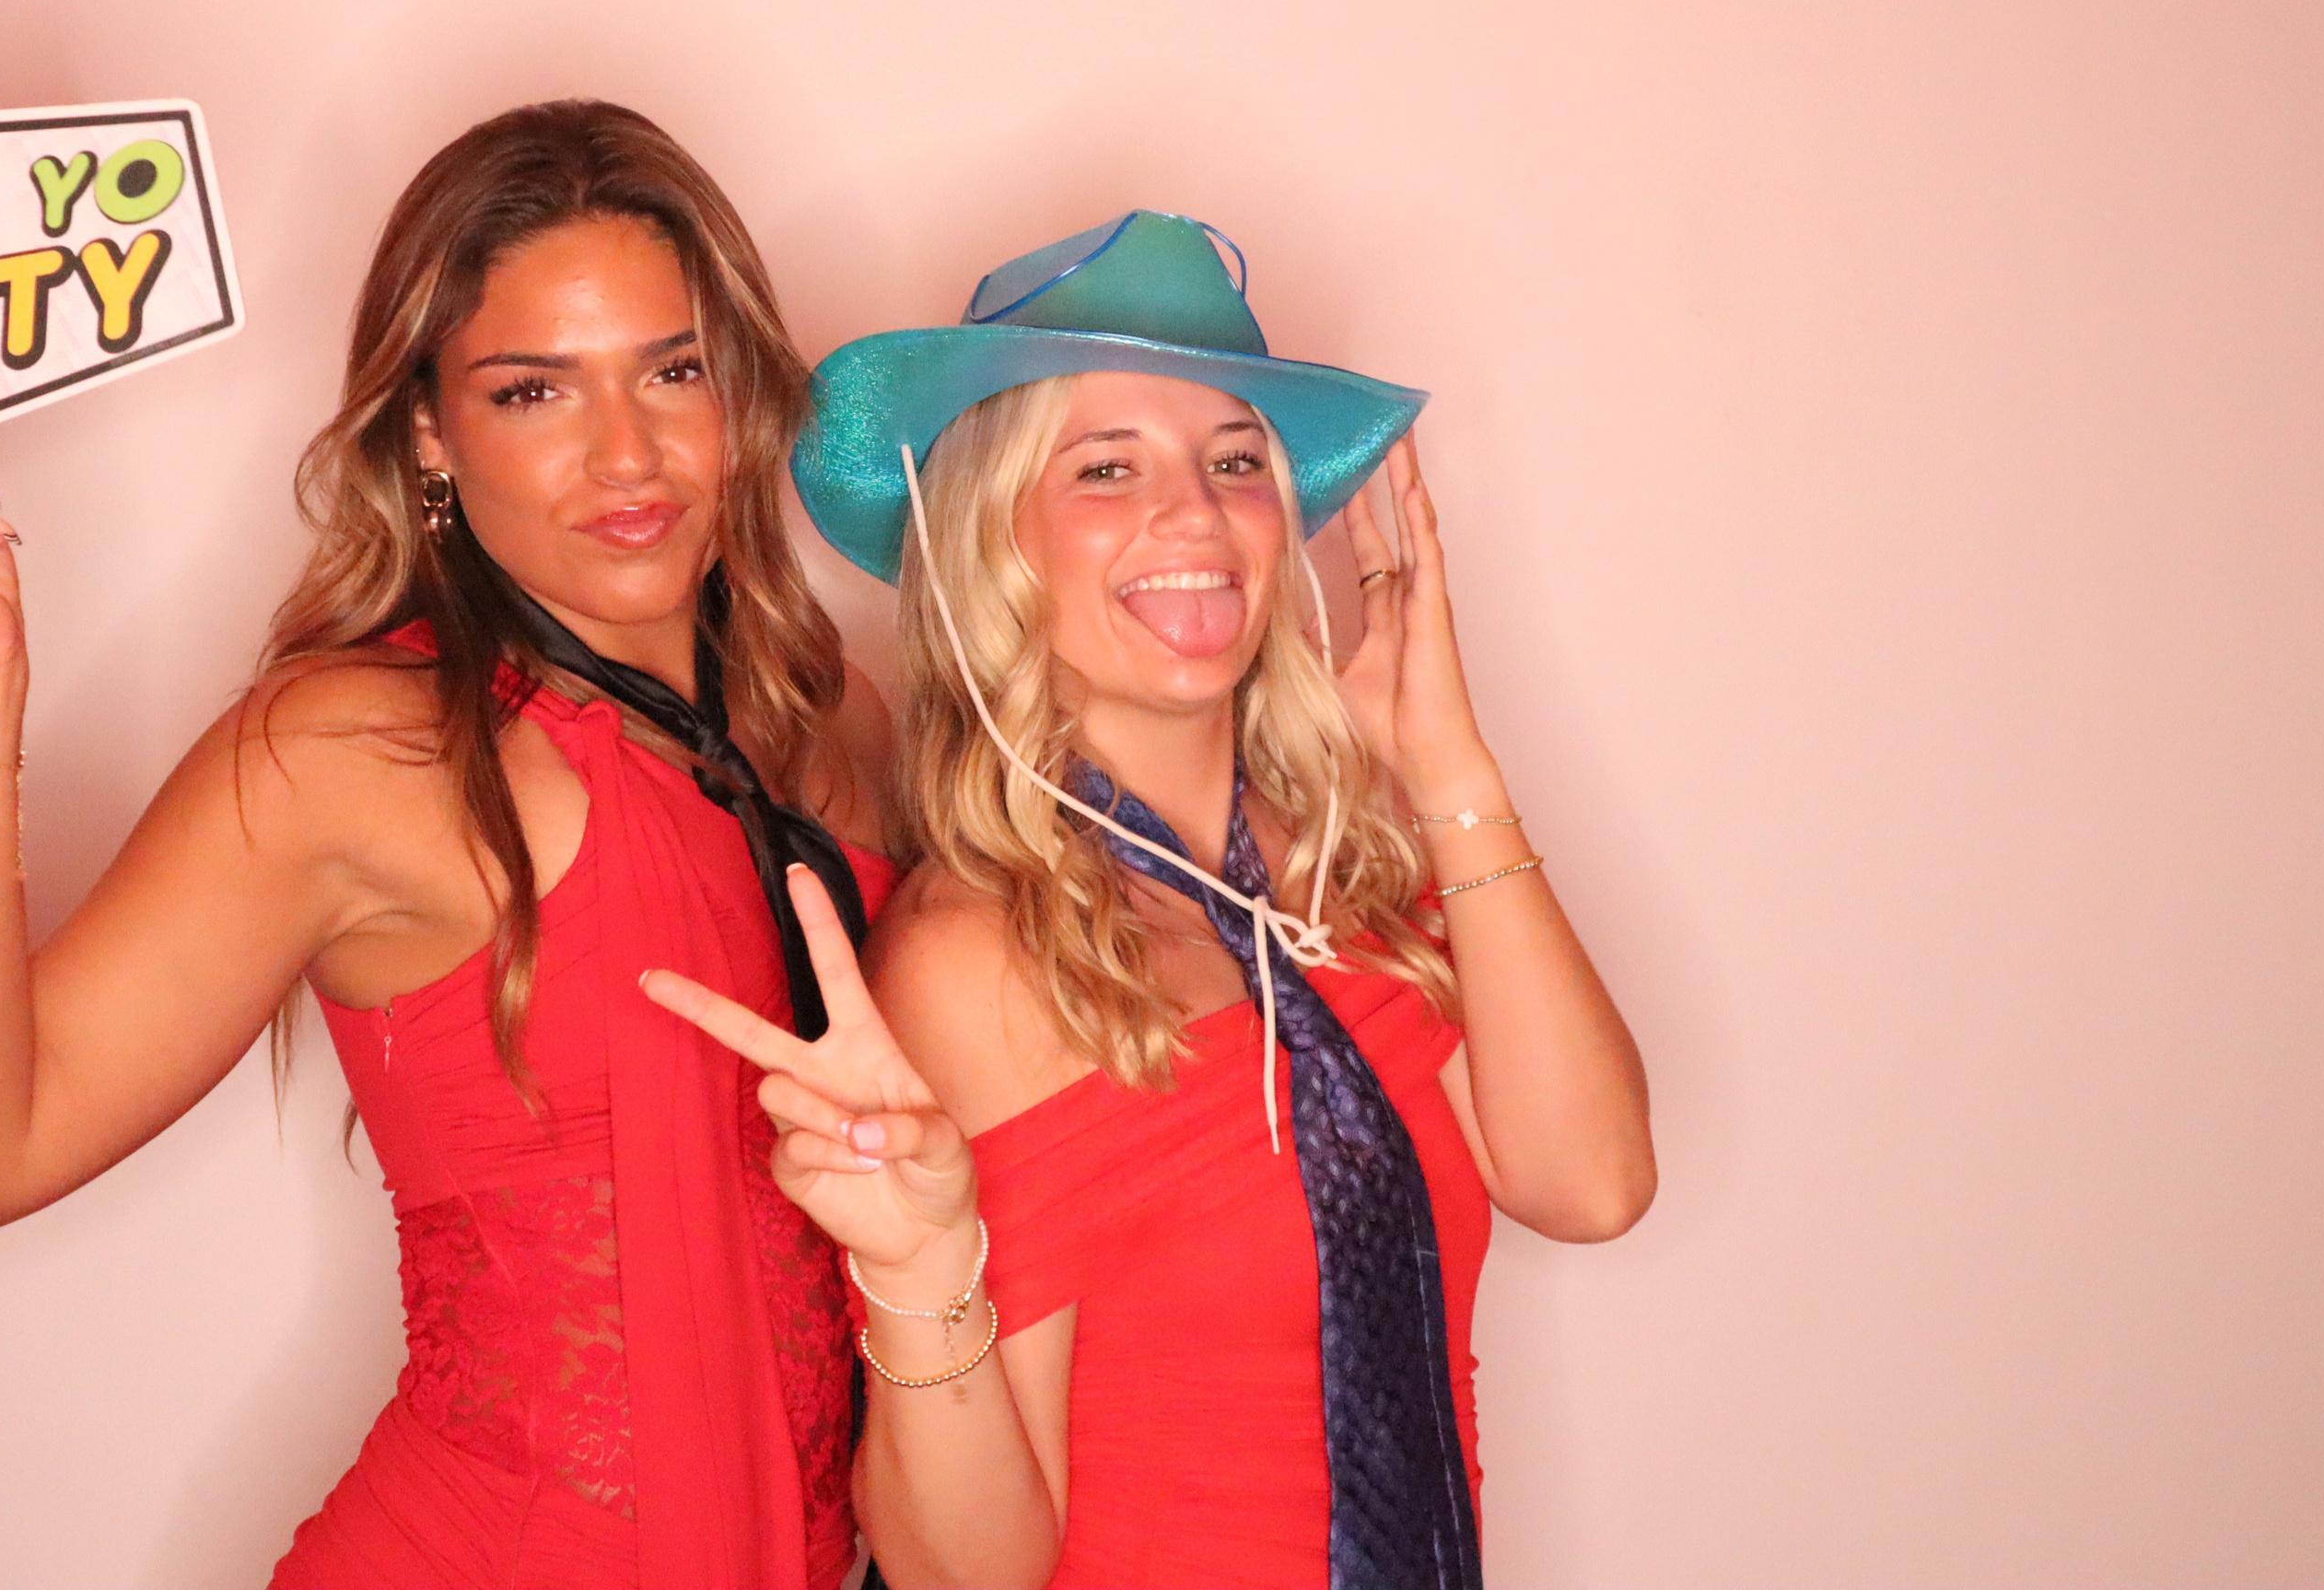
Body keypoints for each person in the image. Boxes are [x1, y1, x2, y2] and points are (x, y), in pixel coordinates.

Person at [0, 100, 897, 1589]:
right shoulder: (359, 750)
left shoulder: (832, 725)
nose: (627, 453)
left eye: (674, 370)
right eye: (534, 391)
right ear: (431, 434)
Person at [645, 209, 1655, 1588]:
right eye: (1106, 468)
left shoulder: (1346, 865)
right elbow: (966, 1578)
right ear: (994, 544)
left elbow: (1589, 1182)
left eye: (1234, 461)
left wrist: (1449, 768)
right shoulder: (978, 959)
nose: (1196, 511)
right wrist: (922, 1272)